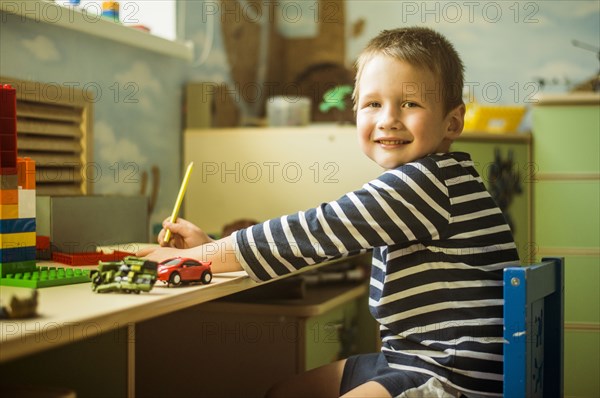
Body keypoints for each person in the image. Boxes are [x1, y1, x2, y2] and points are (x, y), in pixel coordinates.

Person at [139, 27, 519, 398]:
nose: (388, 118)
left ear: (452, 122)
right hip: (408, 357)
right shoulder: (435, 179)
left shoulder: (426, 183)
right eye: (373, 104)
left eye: (410, 103)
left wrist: (194, 258)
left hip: (452, 374)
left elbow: (315, 231)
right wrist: (215, 248)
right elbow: (320, 237)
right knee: (285, 391)